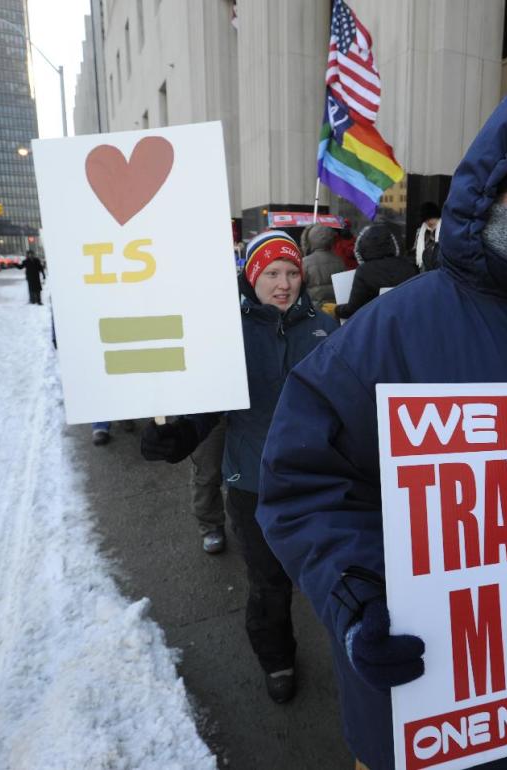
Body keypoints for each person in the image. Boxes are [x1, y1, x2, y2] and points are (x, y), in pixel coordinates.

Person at [257, 69, 507, 770]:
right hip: (439, 704)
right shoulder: (391, 330)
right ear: (493, 199)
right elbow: (303, 482)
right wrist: (359, 598)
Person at [140, 229, 338, 703]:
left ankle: (354, 654)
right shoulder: (226, 329)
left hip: (318, 479)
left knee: (332, 573)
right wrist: (178, 435)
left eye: (292, 271)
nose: (284, 283)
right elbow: (209, 406)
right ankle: (278, 660)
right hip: (252, 481)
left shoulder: (326, 329)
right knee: (269, 582)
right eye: (272, 273)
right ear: (253, 275)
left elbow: (347, 398)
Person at [334, 223, 418, 319]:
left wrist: (336, 310)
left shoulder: (364, 271)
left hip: (376, 325)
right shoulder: (409, 266)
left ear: (363, 246)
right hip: (405, 322)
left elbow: (353, 309)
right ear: (391, 243)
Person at [189, 416, 227, 553]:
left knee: (257, 462)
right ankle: (210, 524)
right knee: (207, 469)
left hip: (258, 404)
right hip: (205, 404)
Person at [302, 223, 345, 305]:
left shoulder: (305, 262)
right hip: (335, 308)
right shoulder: (339, 260)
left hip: (315, 309)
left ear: (311, 239)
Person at [413, 201, 441, 271]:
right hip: (424, 268)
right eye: (427, 220)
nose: (429, 222)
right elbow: (416, 248)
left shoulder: (445, 229)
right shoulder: (420, 231)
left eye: (431, 219)